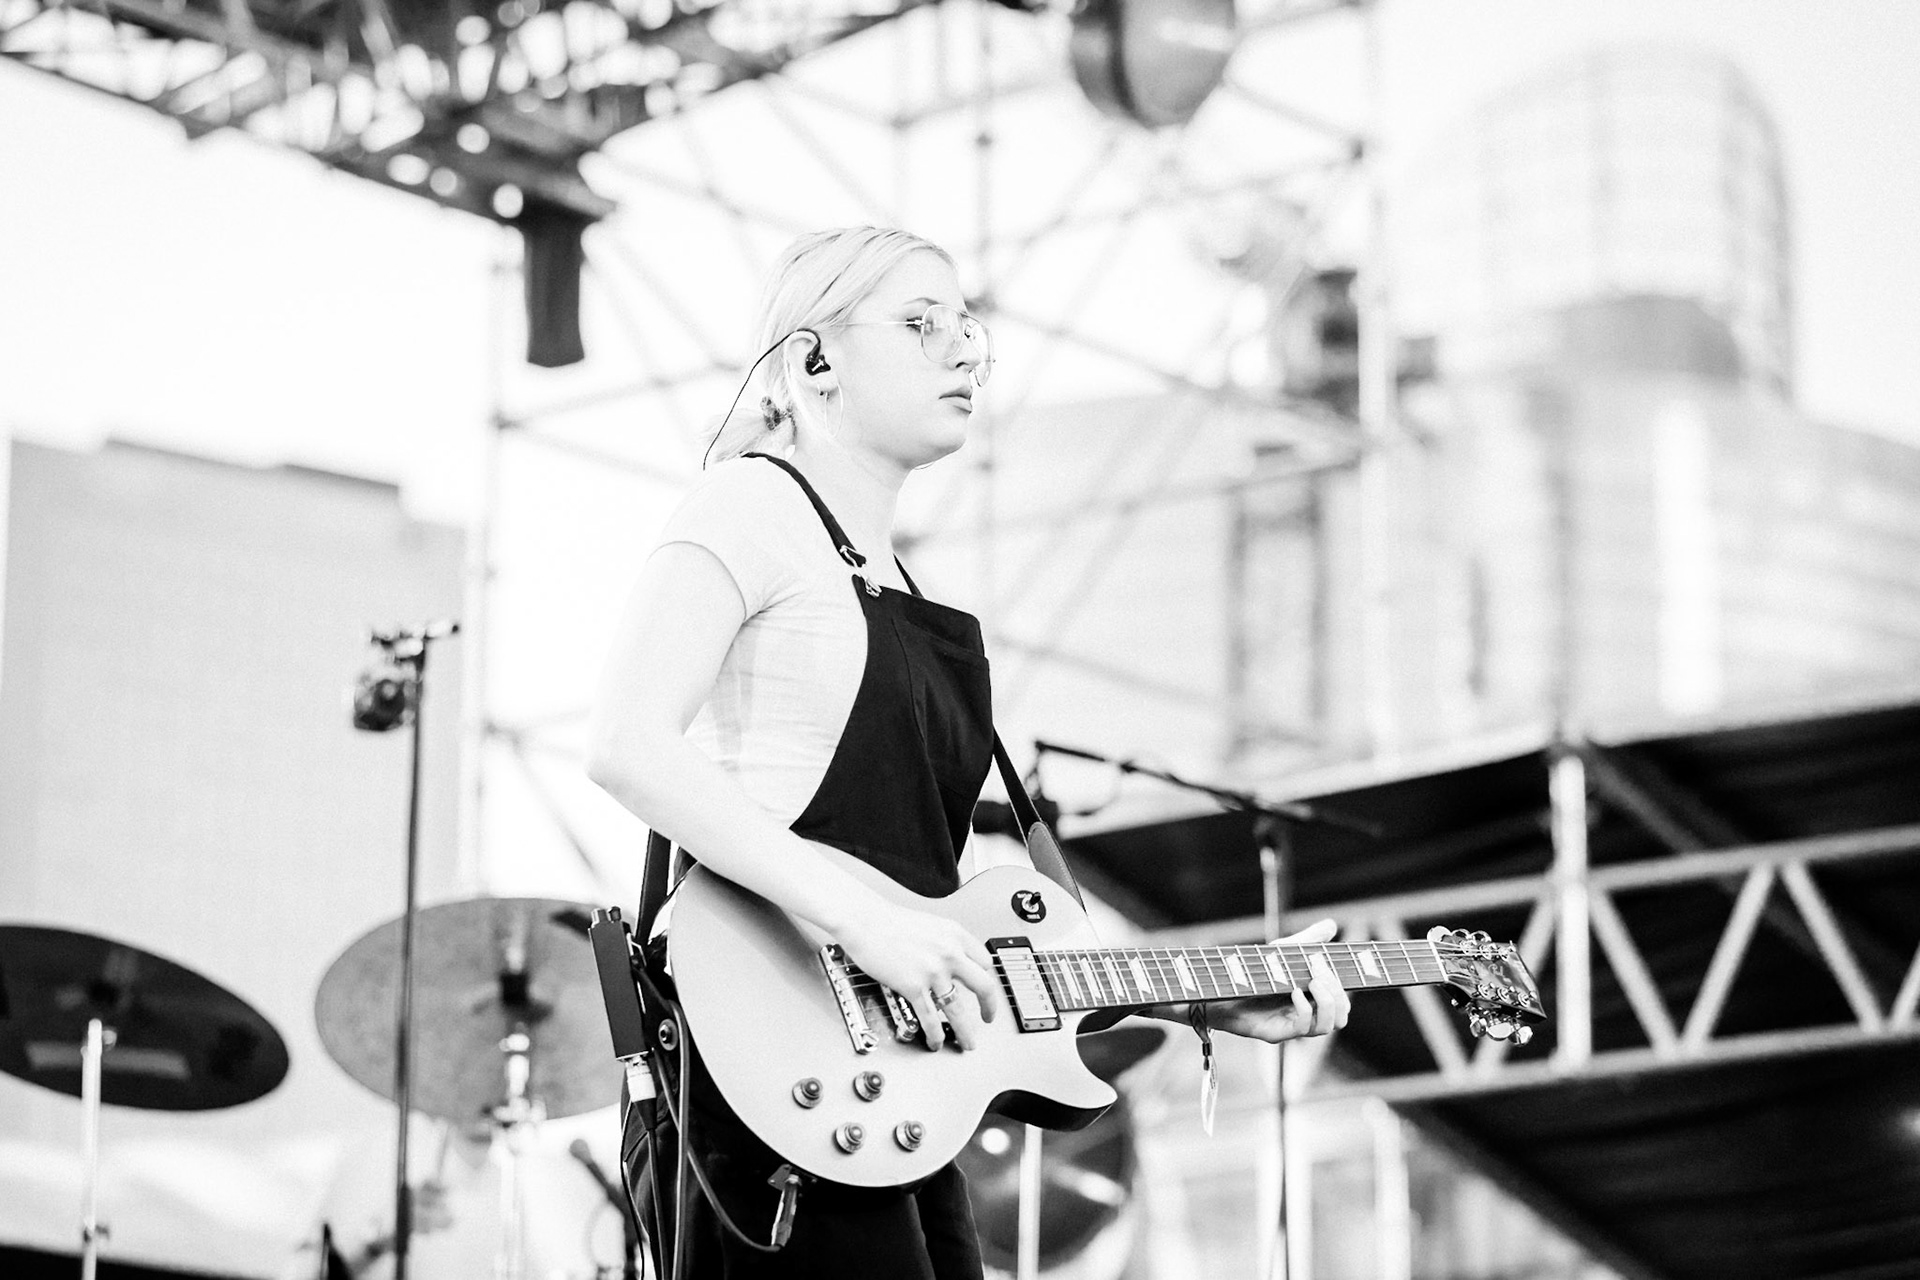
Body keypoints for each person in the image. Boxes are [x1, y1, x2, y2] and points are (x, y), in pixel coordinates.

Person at [585, 225, 1351, 1280]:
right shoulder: (747, 505)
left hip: (900, 1081)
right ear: (814, 362)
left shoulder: (910, 593)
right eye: (919, 323)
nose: (963, 353)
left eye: (967, 329)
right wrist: (866, 919)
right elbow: (626, 742)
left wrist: (1203, 995)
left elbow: (966, 939)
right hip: (774, 1070)